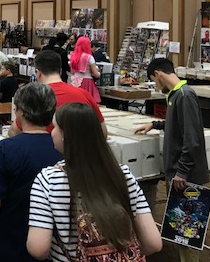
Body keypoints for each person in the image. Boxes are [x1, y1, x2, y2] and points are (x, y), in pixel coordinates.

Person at [27, 103, 162, 261]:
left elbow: (38, 248)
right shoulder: (123, 175)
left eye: (55, 127)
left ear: (65, 135)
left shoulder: (48, 180)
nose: (52, 132)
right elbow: (153, 243)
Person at [134, 58, 209, 262]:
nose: (156, 85)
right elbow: (178, 125)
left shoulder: (185, 95)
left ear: (158, 74)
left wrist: (182, 171)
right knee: (180, 231)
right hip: (178, 174)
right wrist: (155, 125)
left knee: (188, 232)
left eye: (153, 80)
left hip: (186, 177)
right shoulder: (176, 95)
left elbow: (192, 139)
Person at [0, 83, 62, 262]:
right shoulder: (62, 148)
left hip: (10, 245)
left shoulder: (6, 149)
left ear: (20, 112)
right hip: (53, 247)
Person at [8, 51, 106, 137]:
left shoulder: (34, 96)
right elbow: (103, 132)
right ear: (60, 72)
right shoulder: (84, 94)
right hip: (79, 150)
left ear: (38, 73)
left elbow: (14, 132)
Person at [69, 36, 101, 102]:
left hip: (75, 81)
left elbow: (72, 72)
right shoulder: (89, 57)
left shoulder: (73, 56)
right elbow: (96, 74)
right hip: (87, 82)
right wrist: (99, 73)